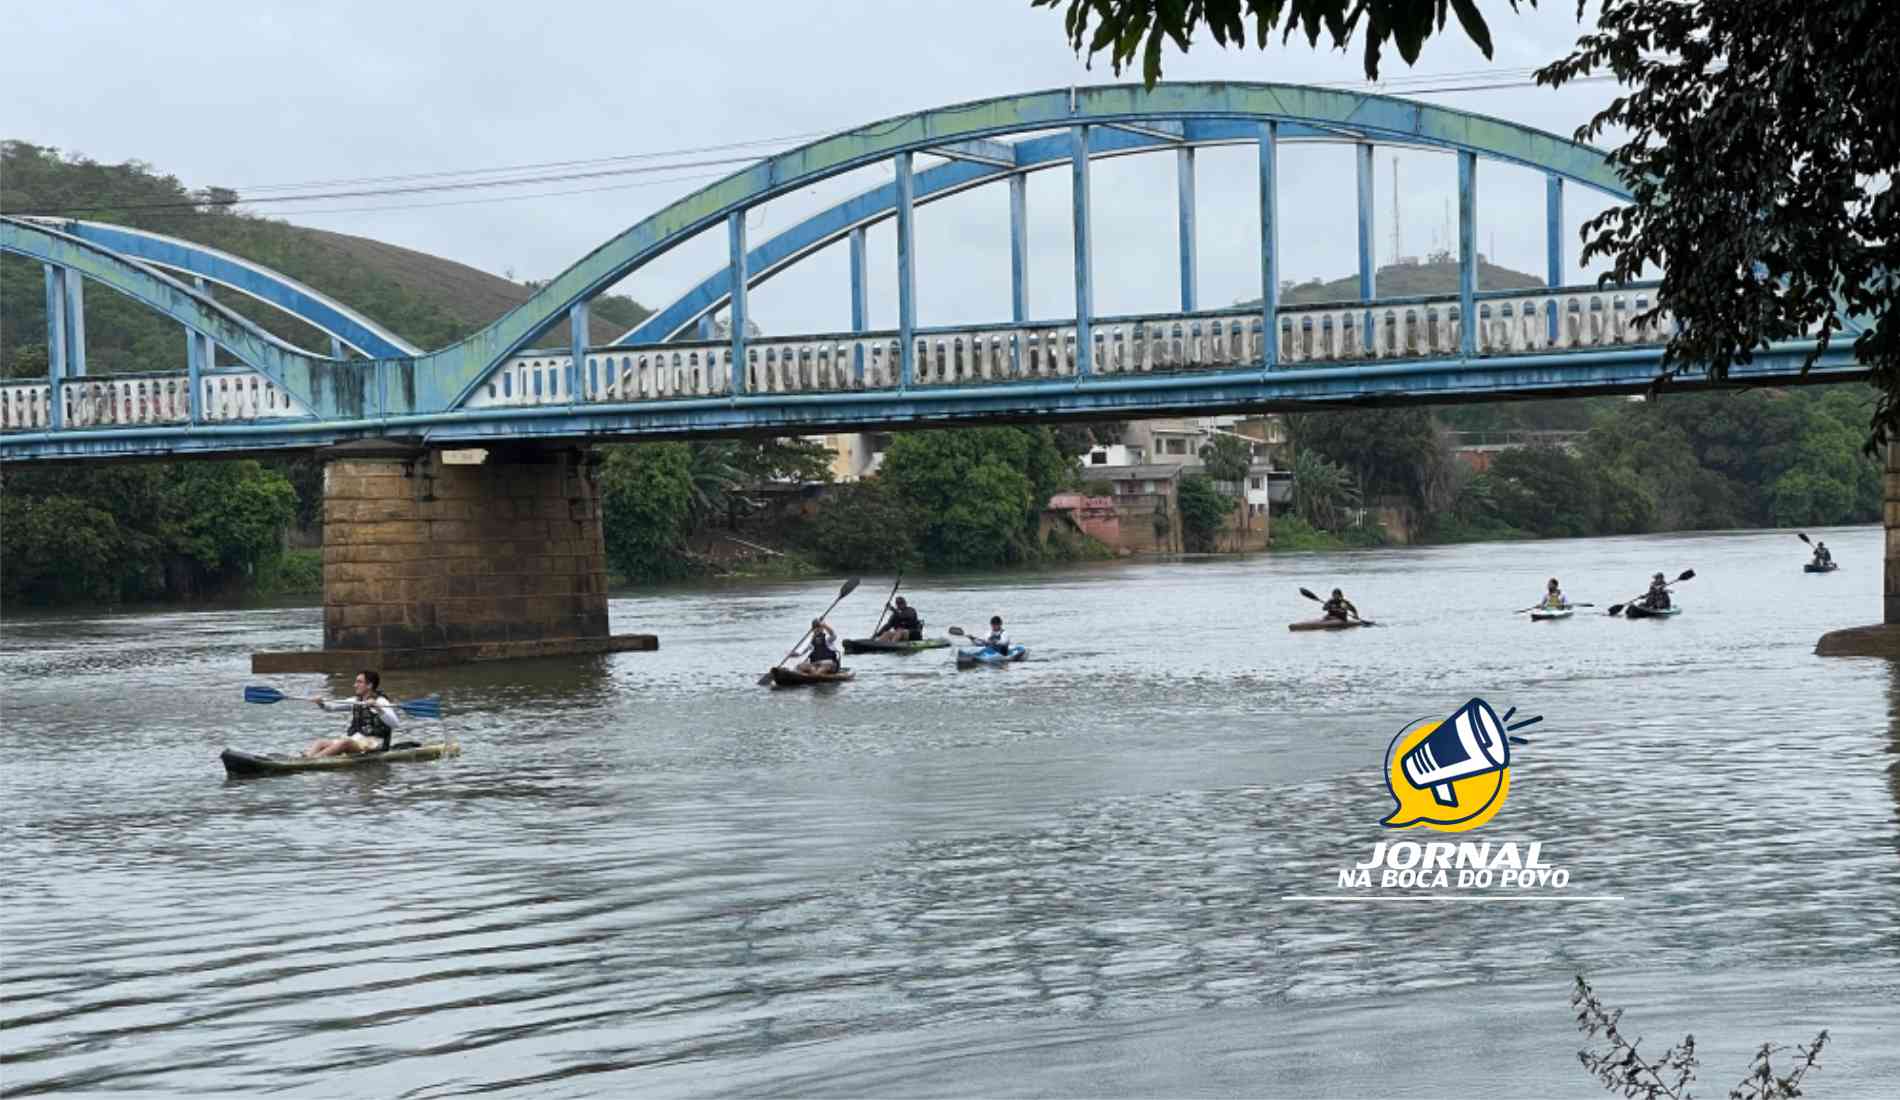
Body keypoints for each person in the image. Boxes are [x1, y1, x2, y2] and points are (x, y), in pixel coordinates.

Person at [304, 670, 400, 758]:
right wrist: (321, 703)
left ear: (369, 685)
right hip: (358, 740)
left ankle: (312, 761)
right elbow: (331, 707)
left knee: (345, 742)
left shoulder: (381, 701)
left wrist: (378, 708)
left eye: (359, 682)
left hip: (375, 744)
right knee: (320, 742)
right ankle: (306, 758)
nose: (355, 685)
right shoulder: (355, 700)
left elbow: (395, 724)